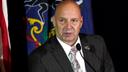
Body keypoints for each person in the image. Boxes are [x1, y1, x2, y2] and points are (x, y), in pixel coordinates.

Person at [28, 0, 115, 72]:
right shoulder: (39, 58)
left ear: (81, 22)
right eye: (62, 20)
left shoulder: (97, 44)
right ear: (53, 21)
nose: (68, 27)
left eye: (74, 20)